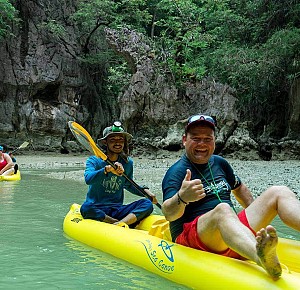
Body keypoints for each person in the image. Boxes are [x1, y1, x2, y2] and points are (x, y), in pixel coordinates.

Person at [162, 114, 300, 279]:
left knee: (279, 192)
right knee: (223, 209)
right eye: (196, 138)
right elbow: (169, 213)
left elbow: (239, 188)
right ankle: (259, 256)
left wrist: (254, 219)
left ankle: (244, 240)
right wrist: (182, 198)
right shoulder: (176, 172)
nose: (202, 144)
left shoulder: (220, 163)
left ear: (214, 140)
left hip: (229, 228)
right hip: (192, 237)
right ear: (185, 140)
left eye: (207, 139)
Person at [80, 121, 157, 227]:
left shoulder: (127, 163)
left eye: (121, 140)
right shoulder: (94, 160)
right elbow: (88, 179)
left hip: (117, 209)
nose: (118, 143)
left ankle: (120, 223)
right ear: (105, 143)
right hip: (97, 208)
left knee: (147, 204)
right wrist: (107, 170)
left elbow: (128, 184)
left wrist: (145, 192)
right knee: (85, 207)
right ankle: (113, 221)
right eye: (113, 140)